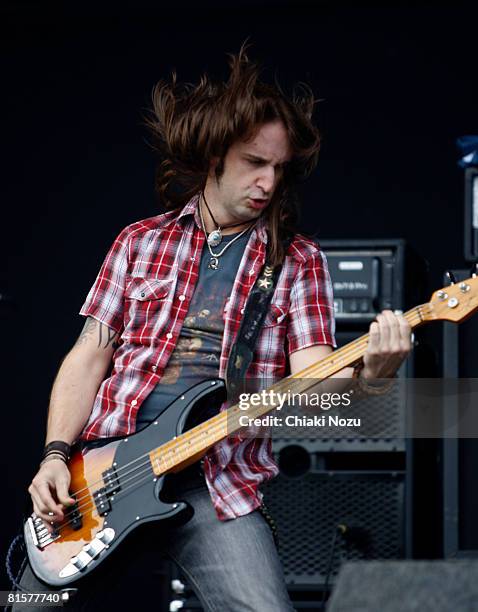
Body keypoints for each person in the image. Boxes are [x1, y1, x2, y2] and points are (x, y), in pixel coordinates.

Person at [15, 48, 412, 611]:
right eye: (254, 162)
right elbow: (89, 354)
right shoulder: (139, 241)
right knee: (28, 608)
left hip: (216, 483)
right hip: (99, 476)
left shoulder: (297, 261)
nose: (269, 182)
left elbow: (312, 384)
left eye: (279, 168)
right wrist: (55, 455)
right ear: (213, 156)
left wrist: (372, 375)